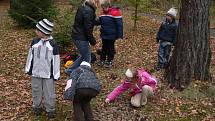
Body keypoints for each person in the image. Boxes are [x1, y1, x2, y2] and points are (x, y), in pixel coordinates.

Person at [25, 19, 60, 118]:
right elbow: (30, 56)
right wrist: (28, 68)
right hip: (36, 72)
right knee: (36, 90)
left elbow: (56, 59)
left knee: (49, 92)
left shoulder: (53, 44)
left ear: (44, 32)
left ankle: (50, 109)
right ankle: (37, 106)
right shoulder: (35, 42)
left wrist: (56, 74)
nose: (36, 31)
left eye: (37, 30)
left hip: (48, 74)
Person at [65, 0, 98, 74]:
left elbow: (88, 21)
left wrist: (100, 21)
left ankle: (70, 70)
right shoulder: (88, 10)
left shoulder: (84, 7)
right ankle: (82, 73)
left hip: (77, 35)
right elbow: (87, 28)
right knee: (87, 57)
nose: (98, 3)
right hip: (81, 37)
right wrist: (93, 41)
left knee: (83, 56)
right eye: (97, 1)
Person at [97, 0, 123, 68]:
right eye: (102, 7)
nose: (103, 9)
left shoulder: (115, 12)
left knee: (110, 48)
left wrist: (120, 36)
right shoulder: (102, 13)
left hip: (112, 35)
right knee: (104, 47)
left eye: (104, 7)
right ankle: (102, 59)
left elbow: (119, 25)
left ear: (108, 6)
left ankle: (109, 60)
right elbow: (99, 21)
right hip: (104, 34)